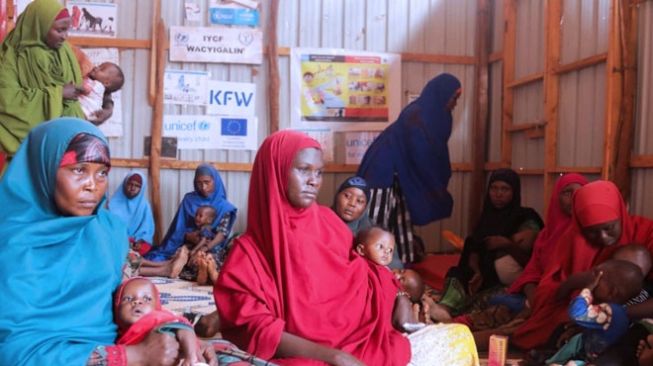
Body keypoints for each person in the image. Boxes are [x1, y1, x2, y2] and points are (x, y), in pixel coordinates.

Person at [215, 130, 479, 365]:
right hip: (315, 357)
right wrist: (335, 356)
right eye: (303, 169)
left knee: (458, 338)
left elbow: (368, 274)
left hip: (365, 339)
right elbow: (258, 330)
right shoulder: (248, 254)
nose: (314, 181)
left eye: (318, 172)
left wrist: (398, 295)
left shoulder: (330, 223)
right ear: (274, 172)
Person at [0, 117, 216, 365]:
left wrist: (176, 329)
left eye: (102, 173)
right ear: (43, 169)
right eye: (79, 170)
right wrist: (130, 356)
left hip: (119, 345)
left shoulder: (107, 231)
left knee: (224, 356)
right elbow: (10, 352)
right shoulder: (11, 246)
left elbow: (129, 304)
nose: (92, 185)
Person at [513, 180, 653, 351]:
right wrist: (576, 282)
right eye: (592, 232)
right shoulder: (572, 240)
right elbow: (551, 291)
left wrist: (607, 314)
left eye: (609, 228)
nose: (603, 237)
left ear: (621, 215)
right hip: (584, 308)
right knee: (549, 328)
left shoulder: (647, 233)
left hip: (636, 312)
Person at [357, 73, 462, 264]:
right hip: (383, 172)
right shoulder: (416, 115)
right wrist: (435, 185)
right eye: (452, 98)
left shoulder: (439, 117)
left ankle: (400, 267)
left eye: (456, 99)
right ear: (441, 94)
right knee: (376, 222)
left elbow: (436, 153)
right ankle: (367, 267)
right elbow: (420, 154)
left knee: (399, 219)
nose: (454, 103)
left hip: (402, 174)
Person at [0, 0, 113, 158]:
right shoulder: (10, 58)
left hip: (71, 145)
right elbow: (6, 102)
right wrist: (57, 94)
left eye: (67, 30)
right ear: (40, 26)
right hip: (31, 153)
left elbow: (99, 82)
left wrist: (108, 107)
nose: (65, 36)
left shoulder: (67, 51)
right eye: (60, 30)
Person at [430, 168, 543, 321]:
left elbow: (533, 259)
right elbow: (475, 245)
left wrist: (507, 244)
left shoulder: (526, 218)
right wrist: (476, 270)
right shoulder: (486, 217)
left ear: (514, 192)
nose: (498, 194)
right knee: (457, 273)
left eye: (505, 189)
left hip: (511, 280)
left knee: (496, 301)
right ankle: (445, 307)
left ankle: (455, 314)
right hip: (484, 275)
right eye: (494, 188)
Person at [506, 173, 588, 309]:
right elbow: (532, 272)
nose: (573, 197)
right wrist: (534, 298)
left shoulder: (592, 230)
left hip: (572, 300)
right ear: (557, 198)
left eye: (579, 192)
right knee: (498, 300)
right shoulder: (547, 234)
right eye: (567, 192)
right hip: (541, 295)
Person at [144, 164, 237, 281]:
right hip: (187, 244)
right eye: (199, 183)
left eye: (207, 182)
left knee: (212, 260)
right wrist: (188, 236)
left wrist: (205, 247)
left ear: (215, 181)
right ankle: (171, 266)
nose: (203, 187)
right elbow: (178, 229)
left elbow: (221, 236)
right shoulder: (189, 200)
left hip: (212, 247)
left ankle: (178, 267)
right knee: (171, 256)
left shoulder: (225, 207)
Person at [546, 260, 643, 365]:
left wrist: (587, 288)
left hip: (591, 359)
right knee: (572, 337)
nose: (592, 279)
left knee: (573, 358)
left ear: (612, 292)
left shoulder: (611, 311)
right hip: (590, 347)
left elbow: (577, 313)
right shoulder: (616, 311)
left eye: (597, 277)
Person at [114, 277, 206, 366]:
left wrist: (191, 357)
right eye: (128, 299)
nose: (137, 301)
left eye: (147, 299)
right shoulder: (117, 337)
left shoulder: (157, 321)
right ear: (116, 309)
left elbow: (185, 329)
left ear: (157, 307)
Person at [109, 172, 155, 256]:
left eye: (137, 186)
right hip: (118, 240)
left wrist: (140, 241)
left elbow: (147, 229)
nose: (133, 188)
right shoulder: (113, 203)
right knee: (113, 245)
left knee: (144, 247)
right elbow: (110, 228)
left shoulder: (144, 205)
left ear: (142, 188)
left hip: (136, 241)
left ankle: (132, 258)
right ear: (124, 184)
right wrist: (125, 240)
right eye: (130, 184)